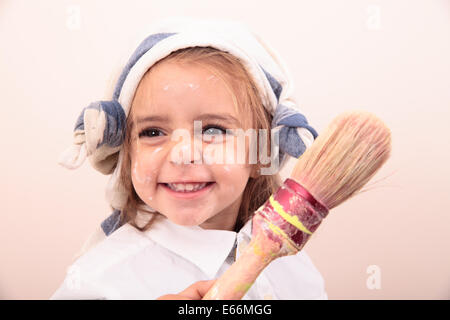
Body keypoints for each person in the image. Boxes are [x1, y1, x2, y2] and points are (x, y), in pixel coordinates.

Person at [52, 18, 327, 300]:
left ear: (262, 152)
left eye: (212, 129)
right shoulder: (101, 280)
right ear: (128, 152)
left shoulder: (293, 269)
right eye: (153, 132)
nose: (183, 155)